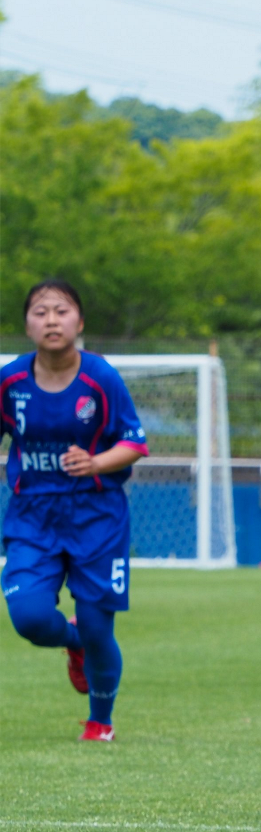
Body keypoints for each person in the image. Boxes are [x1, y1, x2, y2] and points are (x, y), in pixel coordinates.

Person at [1, 280, 149, 742]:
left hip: (96, 516)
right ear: (26, 323)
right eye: (40, 311)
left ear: (79, 322)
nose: (50, 319)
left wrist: (96, 463)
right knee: (28, 617)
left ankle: (100, 720)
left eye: (61, 311)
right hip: (31, 515)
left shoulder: (100, 377)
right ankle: (73, 640)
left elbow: (135, 442)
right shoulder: (9, 381)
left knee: (99, 627)